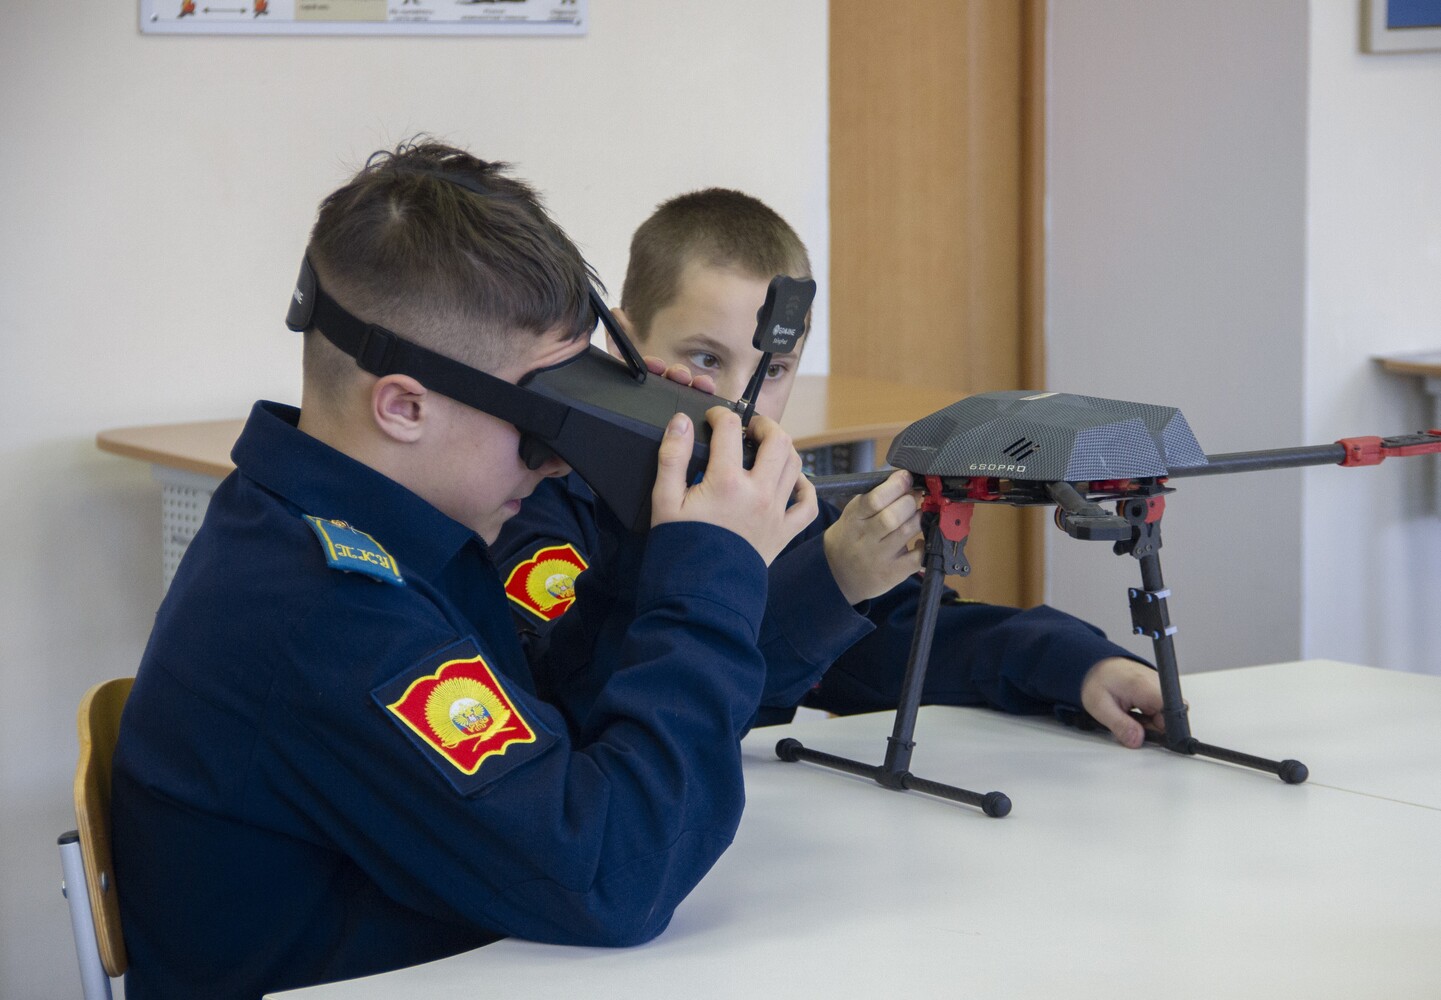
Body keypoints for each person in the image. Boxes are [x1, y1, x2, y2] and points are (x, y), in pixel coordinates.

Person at [110, 145, 816, 999]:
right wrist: (711, 575)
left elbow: (553, 740)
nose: (559, 458)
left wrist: (644, 545)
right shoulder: (322, 608)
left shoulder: (353, 525)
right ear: (405, 406)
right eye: (542, 417)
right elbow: (614, 875)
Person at [493, 188, 1164, 743]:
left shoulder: (781, 504)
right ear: (622, 344)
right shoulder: (538, 500)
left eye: (773, 370)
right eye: (705, 358)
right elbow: (593, 701)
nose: (737, 401)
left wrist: (1079, 666)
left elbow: (904, 641)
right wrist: (832, 580)